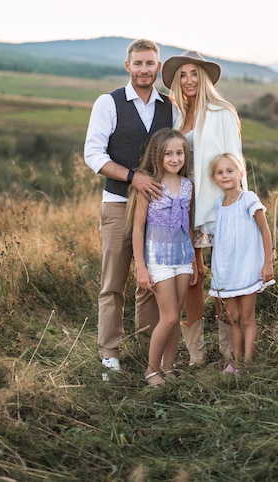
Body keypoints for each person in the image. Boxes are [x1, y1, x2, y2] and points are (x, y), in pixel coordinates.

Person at [84, 38, 175, 379]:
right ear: (128, 67)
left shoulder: (170, 107)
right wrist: (133, 178)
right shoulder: (108, 103)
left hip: (159, 210)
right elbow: (93, 155)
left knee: (152, 282)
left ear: (158, 67)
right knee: (113, 283)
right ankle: (109, 355)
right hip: (119, 204)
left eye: (150, 63)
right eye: (138, 63)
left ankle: (148, 351)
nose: (144, 70)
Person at [161, 50, 247, 366]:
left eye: (194, 73)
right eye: (182, 75)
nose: (188, 80)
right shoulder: (176, 117)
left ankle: (229, 350)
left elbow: (235, 164)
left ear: (204, 77)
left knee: (224, 276)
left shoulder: (222, 112)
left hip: (219, 208)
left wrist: (238, 207)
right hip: (185, 208)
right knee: (194, 278)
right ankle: (196, 353)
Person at [127, 128, 196, 385]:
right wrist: (141, 268)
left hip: (183, 256)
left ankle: (169, 367)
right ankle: (152, 369)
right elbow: (137, 228)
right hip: (158, 257)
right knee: (167, 317)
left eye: (179, 153)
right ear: (158, 156)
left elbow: (187, 224)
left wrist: (195, 261)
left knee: (176, 318)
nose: (175, 158)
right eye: (169, 154)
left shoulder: (188, 186)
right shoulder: (150, 186)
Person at [209, 152, 275, 373]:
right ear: (214, 178)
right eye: (220, 172)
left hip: (247, 269)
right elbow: (221, 242)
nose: (225, 175)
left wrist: (268, 263)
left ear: (241, 173)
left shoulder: (248, 199)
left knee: (247, 318)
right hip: (228, 272)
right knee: (233, 318)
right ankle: (235, 364)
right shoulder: (219, 205)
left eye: (230, 170)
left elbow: (265, 231)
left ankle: (248, 364)